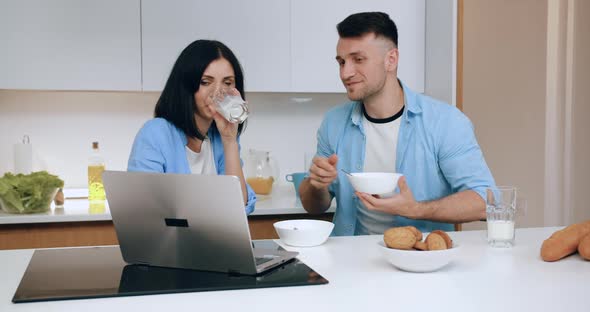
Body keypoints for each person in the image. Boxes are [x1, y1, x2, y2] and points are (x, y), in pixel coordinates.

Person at [299, 12, 495, 236]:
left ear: (391, 59)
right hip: (350, 261)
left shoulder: (446, 122)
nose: (346, 73)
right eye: (341, 62)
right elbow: (314, 205)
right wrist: (316, 184)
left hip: (420, 260)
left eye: (358, 59)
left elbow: (484, 201)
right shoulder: (333, 123)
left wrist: (416, 209)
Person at [128, 39, 256, 214]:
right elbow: (140, 209)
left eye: (227, 83)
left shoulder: (221, 138)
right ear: (186, 85)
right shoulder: (156, 133)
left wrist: (230, 141)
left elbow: (239, 209)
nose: (217, 92)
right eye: (205, 82)